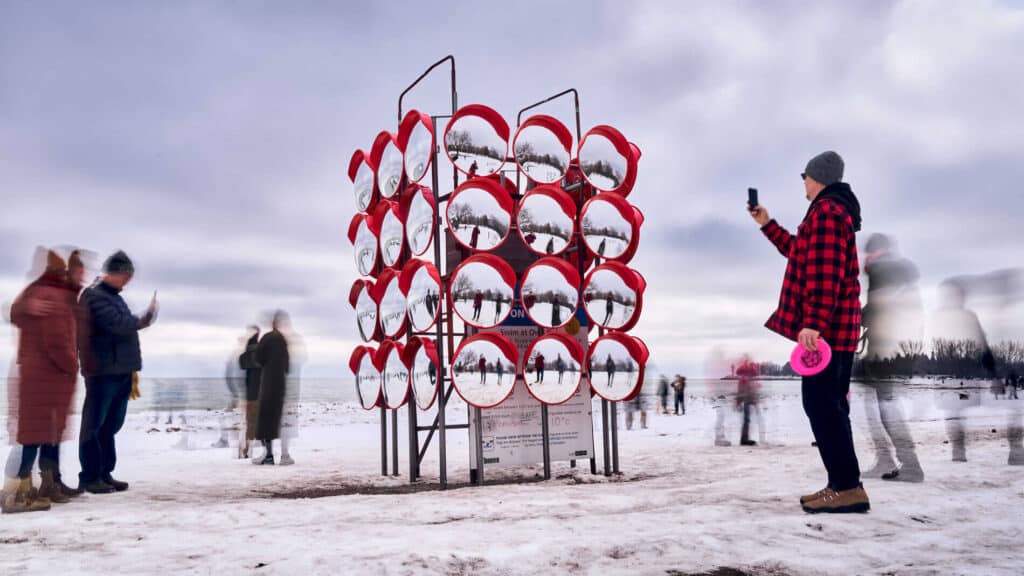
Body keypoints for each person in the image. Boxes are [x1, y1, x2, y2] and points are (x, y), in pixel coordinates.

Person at [749, 151, 868, 513]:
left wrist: (813, 322)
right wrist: (766, 222)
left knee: (822, 405)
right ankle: (843, 484)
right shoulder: (826, 213)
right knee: (828, 406)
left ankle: (847, 487)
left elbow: (826, 274)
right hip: (834, 330)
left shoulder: (829, 213)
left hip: (827, 332)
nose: (802, 181)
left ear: (818, 178)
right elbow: (800, 253)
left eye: (805, 175)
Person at [2, 251, 81, 513]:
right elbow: (57, 341)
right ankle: (15, 494)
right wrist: (72, 366)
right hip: (48, 375)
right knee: (34, 435)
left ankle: (41, 486)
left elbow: (14, 312)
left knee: (43, 434)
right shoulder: (53, 296)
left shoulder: (38, 293)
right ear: (65, 272)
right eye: (79, 271)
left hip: (37, 374)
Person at [77, 251, 158, 494]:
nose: (127, 280)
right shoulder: (94, 296)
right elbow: (117, 324)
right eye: (124, 275)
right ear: (111, 273)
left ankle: (104, 473)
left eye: (129, 276)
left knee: (110, 425)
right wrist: (143, 319)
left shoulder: (114, 297)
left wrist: (141, 320)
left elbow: (124, 323)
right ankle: (90, 476)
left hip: (121, 370)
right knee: (94, 424)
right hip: (102, 370)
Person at [859, 233, 925, 482]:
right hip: (900, 347)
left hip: (886, 349)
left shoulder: (882, 269)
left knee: (884, 404)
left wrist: (855, 316)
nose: (866, 258)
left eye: (868, 252)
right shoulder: (901, 273)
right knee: (879, 402)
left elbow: (879, 307)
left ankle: (908, 463)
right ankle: (889, 458)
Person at [253, 311, 291, 466]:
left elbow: (257, 358)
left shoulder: (268, 337)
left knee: (266, 418)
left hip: (268, 381)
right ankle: (282, 455)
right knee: (276, 418)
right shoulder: (283, 340)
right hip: (281, 383)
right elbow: (287, 365)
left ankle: (268, 455)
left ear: (273, 323)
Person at [238, 326, 261, 459]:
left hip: (250, 393)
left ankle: (247, 449)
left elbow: (242, 364)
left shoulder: (245, 356)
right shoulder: (262, 354)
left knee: (250, 423)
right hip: (261, 392)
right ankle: (256, 449)